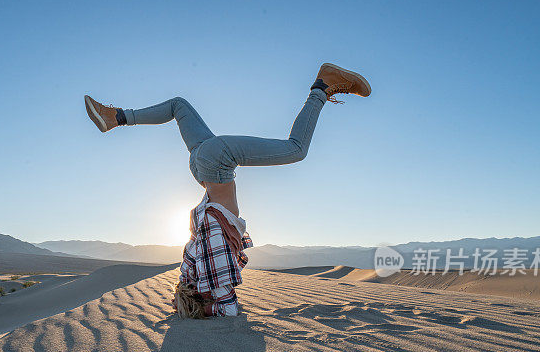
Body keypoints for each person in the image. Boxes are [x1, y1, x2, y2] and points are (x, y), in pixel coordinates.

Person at [84, 63, 370, 318]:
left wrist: (203, 307)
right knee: (178, 105)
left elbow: (229, 308)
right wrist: (183, 298)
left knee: (296, 149)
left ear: (204, 295)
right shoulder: (194, 255)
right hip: (200, 164)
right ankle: (117, 117)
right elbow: (187, 278)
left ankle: (322, 85)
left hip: (216, 163)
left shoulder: (211, 253)